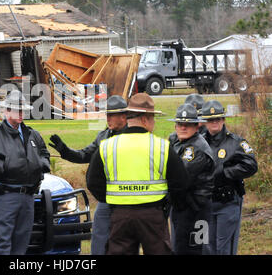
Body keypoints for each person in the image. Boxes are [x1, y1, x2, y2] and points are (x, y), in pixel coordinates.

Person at [87, 93, 189, 255]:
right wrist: (166, 206)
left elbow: (93, 182)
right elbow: (181, 183)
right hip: (153, 215)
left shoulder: (107, 146)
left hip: (120, 215)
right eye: (153, 118)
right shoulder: (161, 146)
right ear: (144, 119)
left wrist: (112, 201)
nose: (154, 123)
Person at [48, 95, 128, 255]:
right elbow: (84, 155)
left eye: (112, 115)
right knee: (98, 238)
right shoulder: (103, 136)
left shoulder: (133, 137)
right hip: (107, 198)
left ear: (124, 116)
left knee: (124, 242)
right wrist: (65, 150)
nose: (108, 118)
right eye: (107, 114)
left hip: (128, 199)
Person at [0, 90, 50, 255]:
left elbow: (44, 153)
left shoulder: (32, 134)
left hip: (28, 195)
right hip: (5, 195)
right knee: (2, 242)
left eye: (23, 110)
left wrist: (41, 165)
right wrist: (4, 166)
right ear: (6, 111)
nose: (22, 113)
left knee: (22, 241)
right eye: (18, 110)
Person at [201, 100, 258, 255]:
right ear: (205, 122)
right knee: (206, 247)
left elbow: (251, 165)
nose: (214, 122)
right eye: (210, 119)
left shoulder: (235, 142)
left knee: (224, 248)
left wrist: (226, 172)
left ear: (223, 120)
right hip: (205, 203)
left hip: (228, 202)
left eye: (217, 119)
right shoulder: (199, 142)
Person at [168, 103, 215, 255]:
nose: (183, 127)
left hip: (196, 209)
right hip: (183, 207)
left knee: (194, 249)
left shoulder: (196, 148)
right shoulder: (177, 141)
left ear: (196, 126)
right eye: (180, 124)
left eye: (187, 124)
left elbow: (180, 176)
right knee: (181, 247)